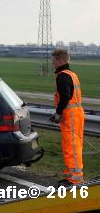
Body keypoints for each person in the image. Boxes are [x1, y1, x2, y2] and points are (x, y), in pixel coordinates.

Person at [49, 49, 85, 186]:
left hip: (71, 116)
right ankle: (71, 175)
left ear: (60, 60)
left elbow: (65, 96)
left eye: (54, 61)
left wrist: (58, 113)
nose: (52, 63)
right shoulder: (71, 74)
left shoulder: (62, 76)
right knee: (71, 146)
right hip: (76, 114)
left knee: (72, 147)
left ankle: (75, 179)